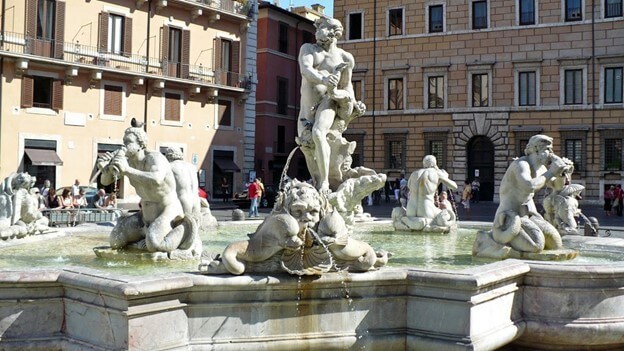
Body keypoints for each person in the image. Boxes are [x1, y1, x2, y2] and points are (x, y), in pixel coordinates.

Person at [97, 119, 199, 255]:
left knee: (155, 243)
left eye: (128, 142)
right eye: (124, 141)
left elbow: (156, 179)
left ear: (140, 144)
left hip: (167, 211)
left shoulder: (154, 158)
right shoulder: (128, 162)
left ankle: (184, 228)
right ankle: (145, 233)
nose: (124, 145)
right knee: (116, 240)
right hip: (145, 215)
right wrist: (106, 170)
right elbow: (105, 181)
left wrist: (127, 170)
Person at [296, 17, 364, 193]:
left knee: (319, 133)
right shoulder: (309, 49)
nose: (317, 31)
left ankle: (325, 183)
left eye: (321, 28)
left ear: (334, 32)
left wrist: (353, 102)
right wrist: (323, 78)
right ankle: (320, 181)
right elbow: (305, 69)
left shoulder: (345, 57)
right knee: (308, 148)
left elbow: (347, 84)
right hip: (306, 110)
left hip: (329, 101)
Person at [492, 134, 570, 253]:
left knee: (555, 243)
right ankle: (490, 245)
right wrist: (551, 172)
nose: (551, 154)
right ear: (535, 150)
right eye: (547, 150)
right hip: (509, 216)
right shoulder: (520, 165)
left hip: (528, 215)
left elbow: (557, 187)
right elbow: (529, 186)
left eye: (551, 150)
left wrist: (561, 173)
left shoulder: (542, 169)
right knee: (536, 246)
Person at [405, 155, 458, 219]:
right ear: (434, 163)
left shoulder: (414, 173)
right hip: (425, 209)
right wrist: (445, 177)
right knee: (448, 213)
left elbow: (408, 185)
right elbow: (454, 186)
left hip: (410, 210)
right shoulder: (436, 173)